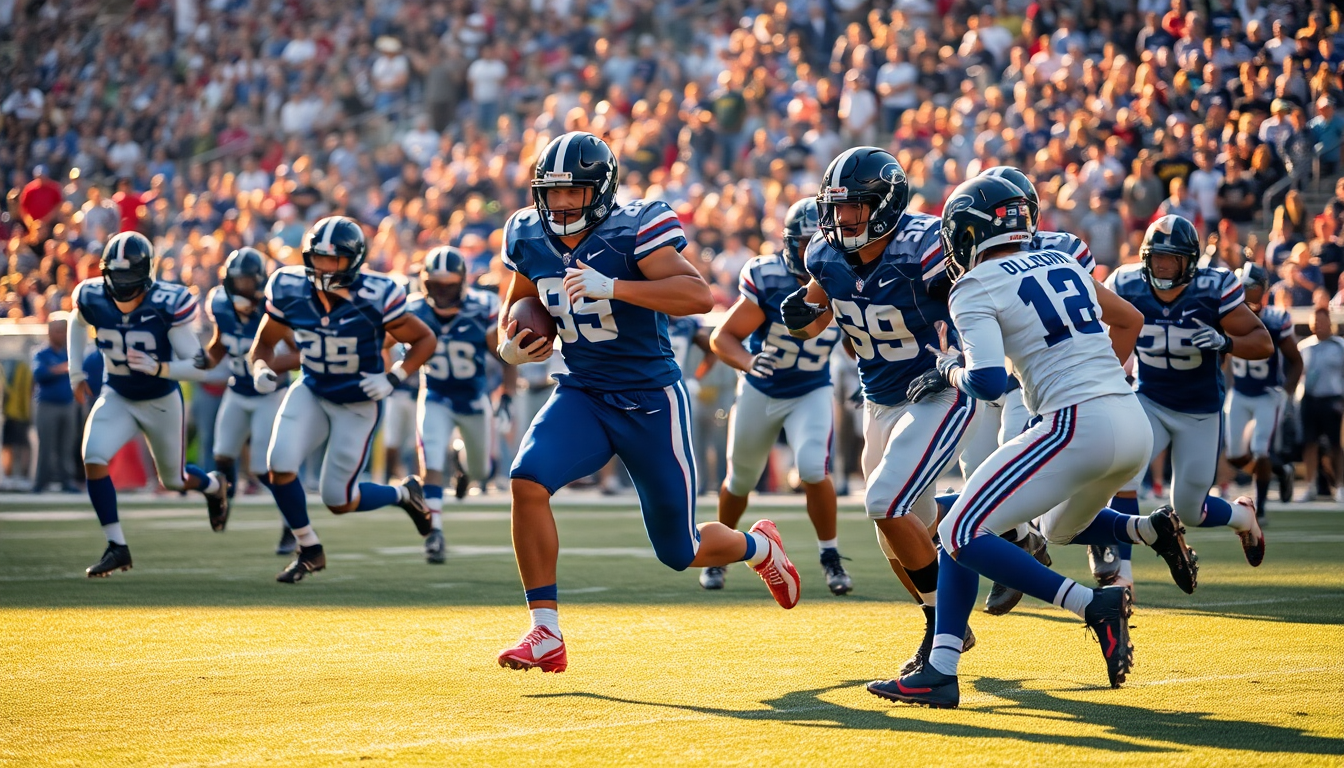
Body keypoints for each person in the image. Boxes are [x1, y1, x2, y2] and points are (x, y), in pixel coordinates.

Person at [868, 175, 1196, 706]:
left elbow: (988, 381)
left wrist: (949, 370)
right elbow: (1131, 319)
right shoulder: (1064, 260)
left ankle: (1091, 606)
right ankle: (941, 669)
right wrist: (1096, 381)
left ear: (969, 231)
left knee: (957, 529)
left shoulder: (973, 285)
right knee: (1051, 529)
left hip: (1073, 424)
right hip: (1129, 422)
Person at [495, 131, 800, 674]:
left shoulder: (634, 227)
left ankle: (759, 548)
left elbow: (697, 295)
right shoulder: (527, 232)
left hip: (649, 400)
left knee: (679, 552)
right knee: (526, 479)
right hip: (582, 390)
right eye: (553, 191)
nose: (561, 203)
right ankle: (545, 630)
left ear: (603, 190)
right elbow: (518, 300)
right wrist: (510, 344)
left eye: (575, 192)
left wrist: (612, 287)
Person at [783, 147, 981, 675]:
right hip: (880, 398)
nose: (842, 218)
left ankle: (945, 629)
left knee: (883, 501)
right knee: (893, 525)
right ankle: (953, 607)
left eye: (856, 208)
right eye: (836, 207)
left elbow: (977, 299)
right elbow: (816, 316)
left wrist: (958, 354)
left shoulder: (924, 247)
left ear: (887, 205)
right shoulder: (825, 255)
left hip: (937, 390)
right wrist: (802, 315)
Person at [250, 216, 437, 583]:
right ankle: (309, 548)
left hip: (358, 400)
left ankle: (404, 493)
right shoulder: (289, 287)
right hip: (314, 388)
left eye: (332, 260)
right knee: (279, 465)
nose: (322, 267)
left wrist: (394, 377)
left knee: (338, 500)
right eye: (317, 258)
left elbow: (425, 339)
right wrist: (259, 369)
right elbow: (264, 345)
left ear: (353, 261)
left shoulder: (377, 296)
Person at [1104, 215, 1274, 585]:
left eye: (1172, 258)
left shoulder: (1213, 288)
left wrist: (1225, 342)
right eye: (1156, 257)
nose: (1162, 265)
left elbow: (1263, 343)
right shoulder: (1124, 283)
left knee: (1190, 510)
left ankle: (1243, 516)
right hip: (1149, 398)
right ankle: (1123, 574)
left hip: (1199, 409)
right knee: (1124, 476)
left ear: (1190, 261)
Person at [706, 198, 851, 595]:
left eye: (818, 243)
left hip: (811, 388)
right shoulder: (769, 277)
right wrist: (749, 364)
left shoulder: (846, 275)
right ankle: (721, 554)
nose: (811, 253)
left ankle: (830, 556)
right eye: (804, 244)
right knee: (740, 478)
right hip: (762, 388)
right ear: (788, 244)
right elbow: (723, 337)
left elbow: (857, 344)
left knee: (811, 468)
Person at [66, 231, 231, 577]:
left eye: (130, 277)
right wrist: (76, 372)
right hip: (118, 395)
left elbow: (200, 368)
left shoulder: (165, 304)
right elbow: (75, 322)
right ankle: (117, 546)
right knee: (93, 456)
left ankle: (215, 487)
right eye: (117, 276)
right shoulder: (92, 296)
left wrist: (160, 367)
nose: (123, 285)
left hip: (160, 400)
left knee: (174, 480)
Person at [402, 245, 513, 564]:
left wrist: (506, 394)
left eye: (448, 285)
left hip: (474, 399)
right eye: (435, 284)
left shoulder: (482, 306)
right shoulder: (413, 309)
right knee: (431, 461)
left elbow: (504, 355)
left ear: (462, 282)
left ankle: (462, 466)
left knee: (483, 471)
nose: (441, 291)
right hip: (434, 395)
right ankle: (434, 532)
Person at [195, 247, 301, 553]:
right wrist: (202, 361)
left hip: (269, 393)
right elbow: (219, 346)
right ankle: (224, 499)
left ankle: (292, 525)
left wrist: (265, 367)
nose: (241, 288)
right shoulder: (221, 304)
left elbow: (298, 354)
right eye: (237, 281)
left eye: (246, 282)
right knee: (222, 455)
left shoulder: (272, 311)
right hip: (237, 390)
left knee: (262, 468)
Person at [1223, 264, 1302, 523]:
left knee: (1261, 450)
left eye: (1251, 288)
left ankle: (1263, 507)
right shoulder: (1228, 317)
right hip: (1241, 392)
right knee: (1235, 455)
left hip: (1267, 394)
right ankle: (1282, 469)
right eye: (1242, 288)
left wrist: (1286, 393)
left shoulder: (1275, 320)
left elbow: (1296, 361)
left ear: (1263, 290)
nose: (1246, 293)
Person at [1295, 307, 1344, 502]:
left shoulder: (1340, 346)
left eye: (1322, 321)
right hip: (1309, 399)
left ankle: (1340, 486)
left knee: (1336, 445)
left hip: (1333, 400)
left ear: (1329, 322)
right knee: (1309, 444)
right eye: (1315, 322)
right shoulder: (1304, 347)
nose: (1318, 325)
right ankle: (1310, 485)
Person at [31, 313, 79, 493]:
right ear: (50, 333)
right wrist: (61, 369)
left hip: (68, 404)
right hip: (47, 405)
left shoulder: (69, 352)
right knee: (46, 446)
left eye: (64, 331)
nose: (62, 335)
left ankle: (67, 481)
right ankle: (41, 482)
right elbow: (39, 374)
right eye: (59, 331)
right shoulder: (41, 353)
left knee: (67, 446)